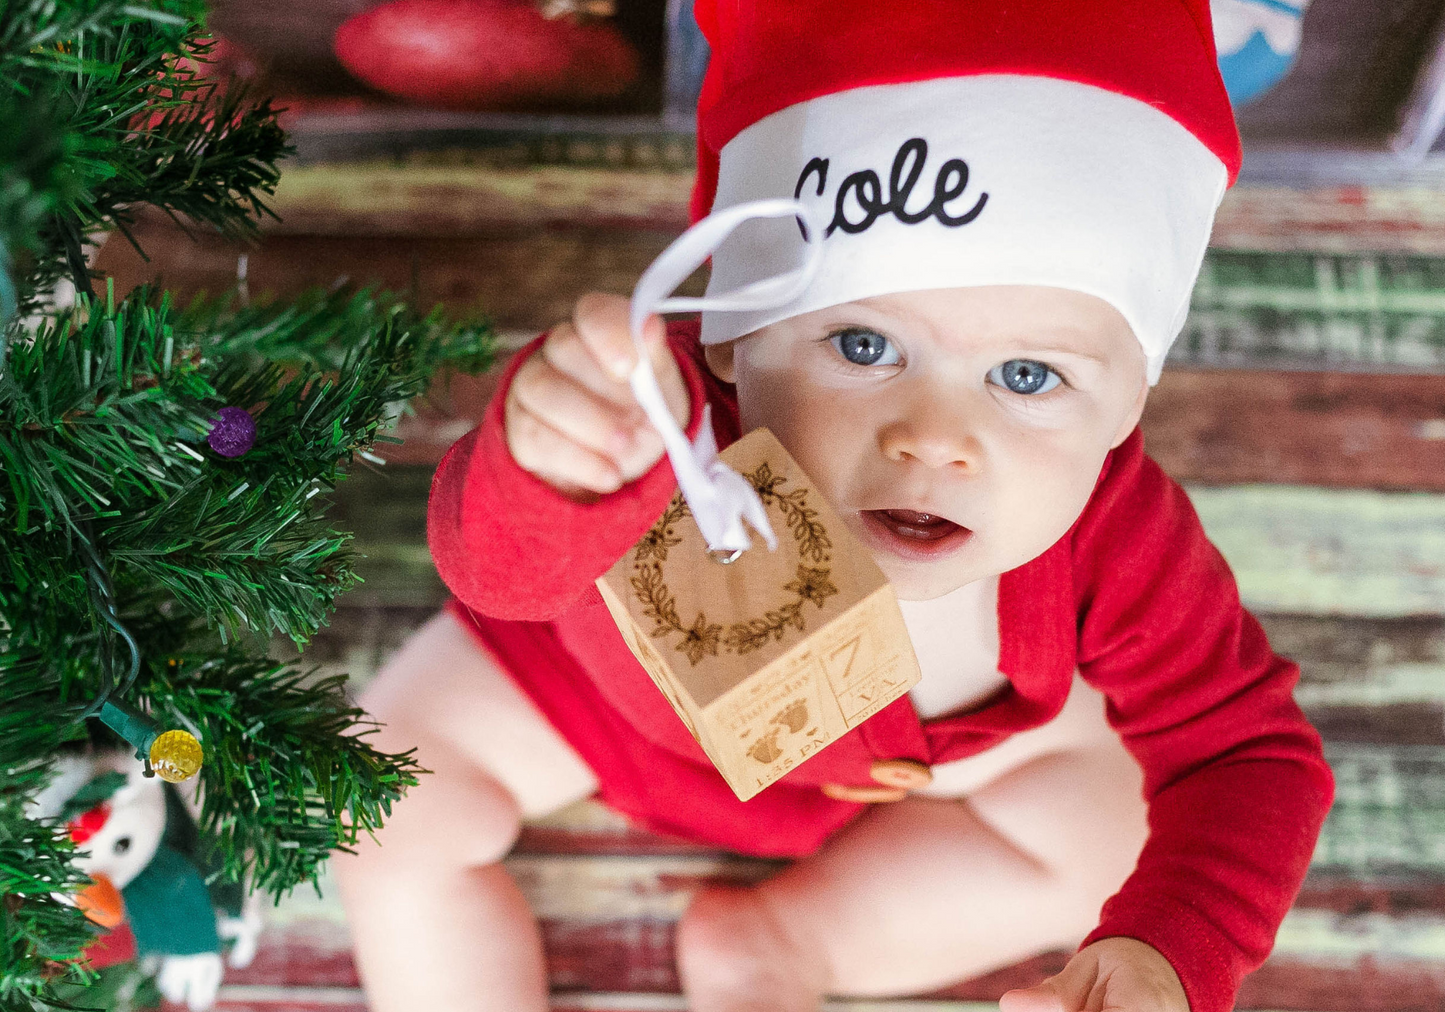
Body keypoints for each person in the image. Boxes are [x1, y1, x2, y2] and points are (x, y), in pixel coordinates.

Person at [332, 4, 1335, 1012]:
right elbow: (499, 577)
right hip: (584, 701)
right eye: (864, 346)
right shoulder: (647, 415)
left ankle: (791, 943)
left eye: (1026, 374)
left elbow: (1243, 751)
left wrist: (1168, 954)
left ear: (1127, 402)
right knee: (381, 804)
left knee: (1112, 830)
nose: (933, 437)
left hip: (886, 781)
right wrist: (552, 464)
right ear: (732, 331)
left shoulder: (1117, 534)